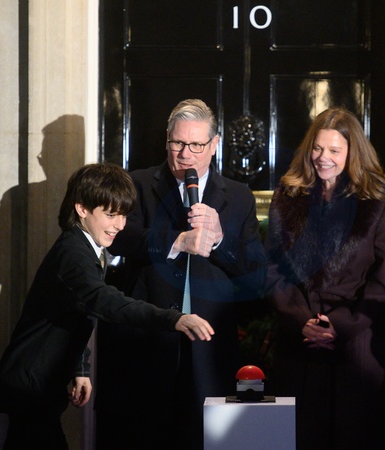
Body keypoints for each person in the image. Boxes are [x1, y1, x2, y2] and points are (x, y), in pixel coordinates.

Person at [0, 163, 214, 450]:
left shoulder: (85, 247)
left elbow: (74, 313)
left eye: (123, 215)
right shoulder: (73, 252)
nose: (120, 225)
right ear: (82, 208)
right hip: (31, 384)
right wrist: (174, 319)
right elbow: (105, 301)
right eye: (110, 215)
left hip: (39, 384)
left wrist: (80, 369)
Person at [95, 99, 267, 449]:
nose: (186, 154)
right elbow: (119, 239)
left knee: (206, 440)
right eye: (178, 143)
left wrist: (219, 240)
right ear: (167, 140)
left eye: (196, 145)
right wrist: (176, 241)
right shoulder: (137, 183)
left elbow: (256, 274)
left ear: (214, 144)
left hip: (209, 346)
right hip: (146, 340)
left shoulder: (238, 196)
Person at [264, 107, 385, 449]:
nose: (322, 157)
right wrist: (301, 320)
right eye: (317, 148)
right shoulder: (287, 196)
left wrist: (340, 325)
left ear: (352, 153)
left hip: (354, 345)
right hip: (297, 342)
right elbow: (271, 267)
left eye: (334, 150)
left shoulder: (382, 202)